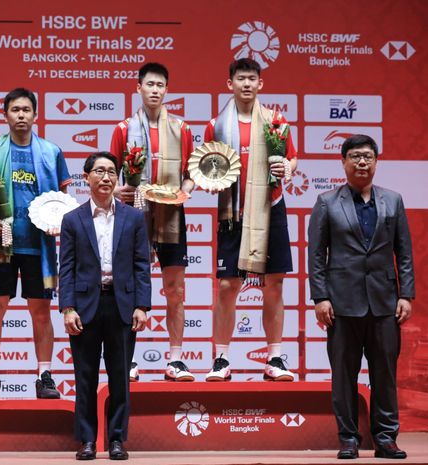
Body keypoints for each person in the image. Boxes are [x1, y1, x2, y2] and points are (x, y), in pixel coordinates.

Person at [308, 134, 414, 459]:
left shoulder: (393, 201)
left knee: (385, 374)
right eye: (355, 156)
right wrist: (320, 298)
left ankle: (385, 439)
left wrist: (406, 295)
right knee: (344, 375)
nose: (362, 162)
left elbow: (404, 253)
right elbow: (316, 255)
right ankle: (349, 439)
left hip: (384, 304)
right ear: (343, 162)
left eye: (368, 156)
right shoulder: (327, 202)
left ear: (377, 161)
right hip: (340, 305)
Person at [0, 88, 71, 399]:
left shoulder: (51, 152)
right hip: (0, 243)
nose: (20, 115)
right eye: (15, 109)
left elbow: (64, 198)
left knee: (41, 310)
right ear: (5, 115)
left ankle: (45, 375)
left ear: (35, 115)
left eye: (26, 110)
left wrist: (59, 220)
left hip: (38, 245)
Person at [203, 58, 297, 382]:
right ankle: (221, 359)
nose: (246, 83)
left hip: (271, 207)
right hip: (233, 212)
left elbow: (291, 157)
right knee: (228, 286)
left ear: (260, 84)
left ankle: (274, 358)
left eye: (252, 78)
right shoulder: (216, 125)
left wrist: (289, 168)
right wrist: (206, 179)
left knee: (275, 284)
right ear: (229, 84)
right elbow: (206, 168)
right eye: (240, 78)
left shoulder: (275, 121)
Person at [60, 151, 150, 460]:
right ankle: (86, 439)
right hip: (85, 306)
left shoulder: (134, 218)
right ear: (86, 177)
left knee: (120, 376)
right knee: (85, 375)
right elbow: (66, 268)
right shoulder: (72, 219)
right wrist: (67, 308)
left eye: (112, 172)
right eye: (99, 171)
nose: (106, 177)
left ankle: (116, 440)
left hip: (122, 305)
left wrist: (143, 306)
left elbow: (142, 265)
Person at [110, 62, 196, 382]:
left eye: (161, 85)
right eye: (150, 84)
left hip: (171, 216)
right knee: (132, 287)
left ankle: (175, 360)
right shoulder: (122, 129)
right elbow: (110, 174)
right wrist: (119, 191)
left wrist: (184, 193)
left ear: (167, 90)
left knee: (175, 290)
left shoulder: (182, 129)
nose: (155, 90)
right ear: (138, 88)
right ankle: (129, 360)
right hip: (135, 216)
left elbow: (191, 175)